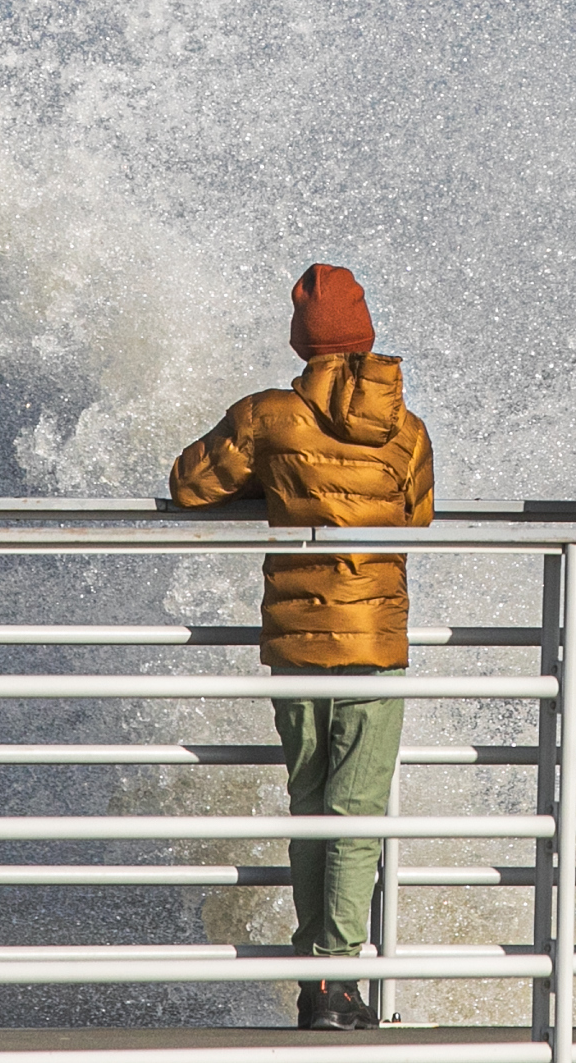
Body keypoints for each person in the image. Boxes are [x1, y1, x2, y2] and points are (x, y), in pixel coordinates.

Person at [168, 264, 436, 1033]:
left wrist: (276, 489)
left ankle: (315, 972)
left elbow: (191, 483)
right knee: (355, 807)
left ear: (302, 340)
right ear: (367, 335)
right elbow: (416, 516)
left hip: (297, 646)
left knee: (312, 802)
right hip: (377, 643)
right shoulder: (406, 427)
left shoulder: (269, 418)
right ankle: (337, 977)